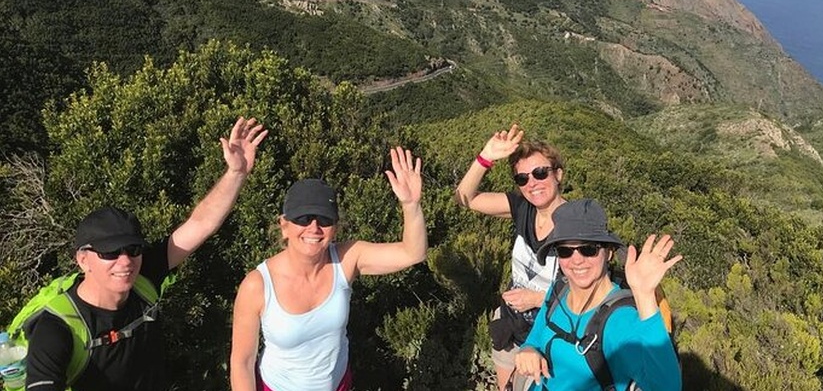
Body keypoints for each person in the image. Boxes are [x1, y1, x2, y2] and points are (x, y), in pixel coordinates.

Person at [25, 116, 268, 391]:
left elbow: (200, 224)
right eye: (110, 253)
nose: (125, 261)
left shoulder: (143, 279)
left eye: (133, 249)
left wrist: (236, 174)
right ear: (83, 260)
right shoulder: (56, 328)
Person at [229, 146, 428, 391]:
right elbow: (242, 361)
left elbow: (413, 253)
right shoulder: (258, 285)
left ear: (335, 227)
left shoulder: (347, 258)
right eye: (303, 219)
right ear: (284, 226)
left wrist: (411, 205)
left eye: (324, 220)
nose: (314, 228)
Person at [514, 199, 683, 391]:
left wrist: (644, 295)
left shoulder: (619, 319)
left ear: (608, 253)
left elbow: (666, 387)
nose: (577, 260)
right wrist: (528, 350)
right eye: (565, 251)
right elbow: (535, 338)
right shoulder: (558, 291)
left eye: (588, 249)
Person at [454, 124, 567, 391]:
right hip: (511, 326)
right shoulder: (521, 208)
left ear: (558, 174)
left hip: (552, 335)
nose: (533, 183)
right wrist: (486, 156)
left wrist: (538, 298)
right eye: (522, 178)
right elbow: (464, 198)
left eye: (540, 173)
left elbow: (591, 291)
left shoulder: (576, 223)